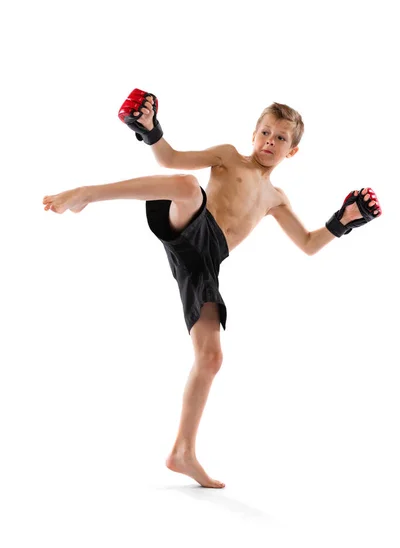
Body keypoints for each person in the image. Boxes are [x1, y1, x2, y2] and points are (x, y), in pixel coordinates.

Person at [43, 89, 382, 489]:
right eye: (265, 133)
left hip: (205, 263)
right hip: (192, 227)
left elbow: (308, 244)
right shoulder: (227, 157)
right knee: (187, 184)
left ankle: (182, 452)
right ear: (253, 134)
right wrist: (151, 130)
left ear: (291, 152)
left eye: (280, 138)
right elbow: (170, 160)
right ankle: (87, 194)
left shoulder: (276, 198)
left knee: (211, 357)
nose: (270, 141)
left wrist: (343, 221)